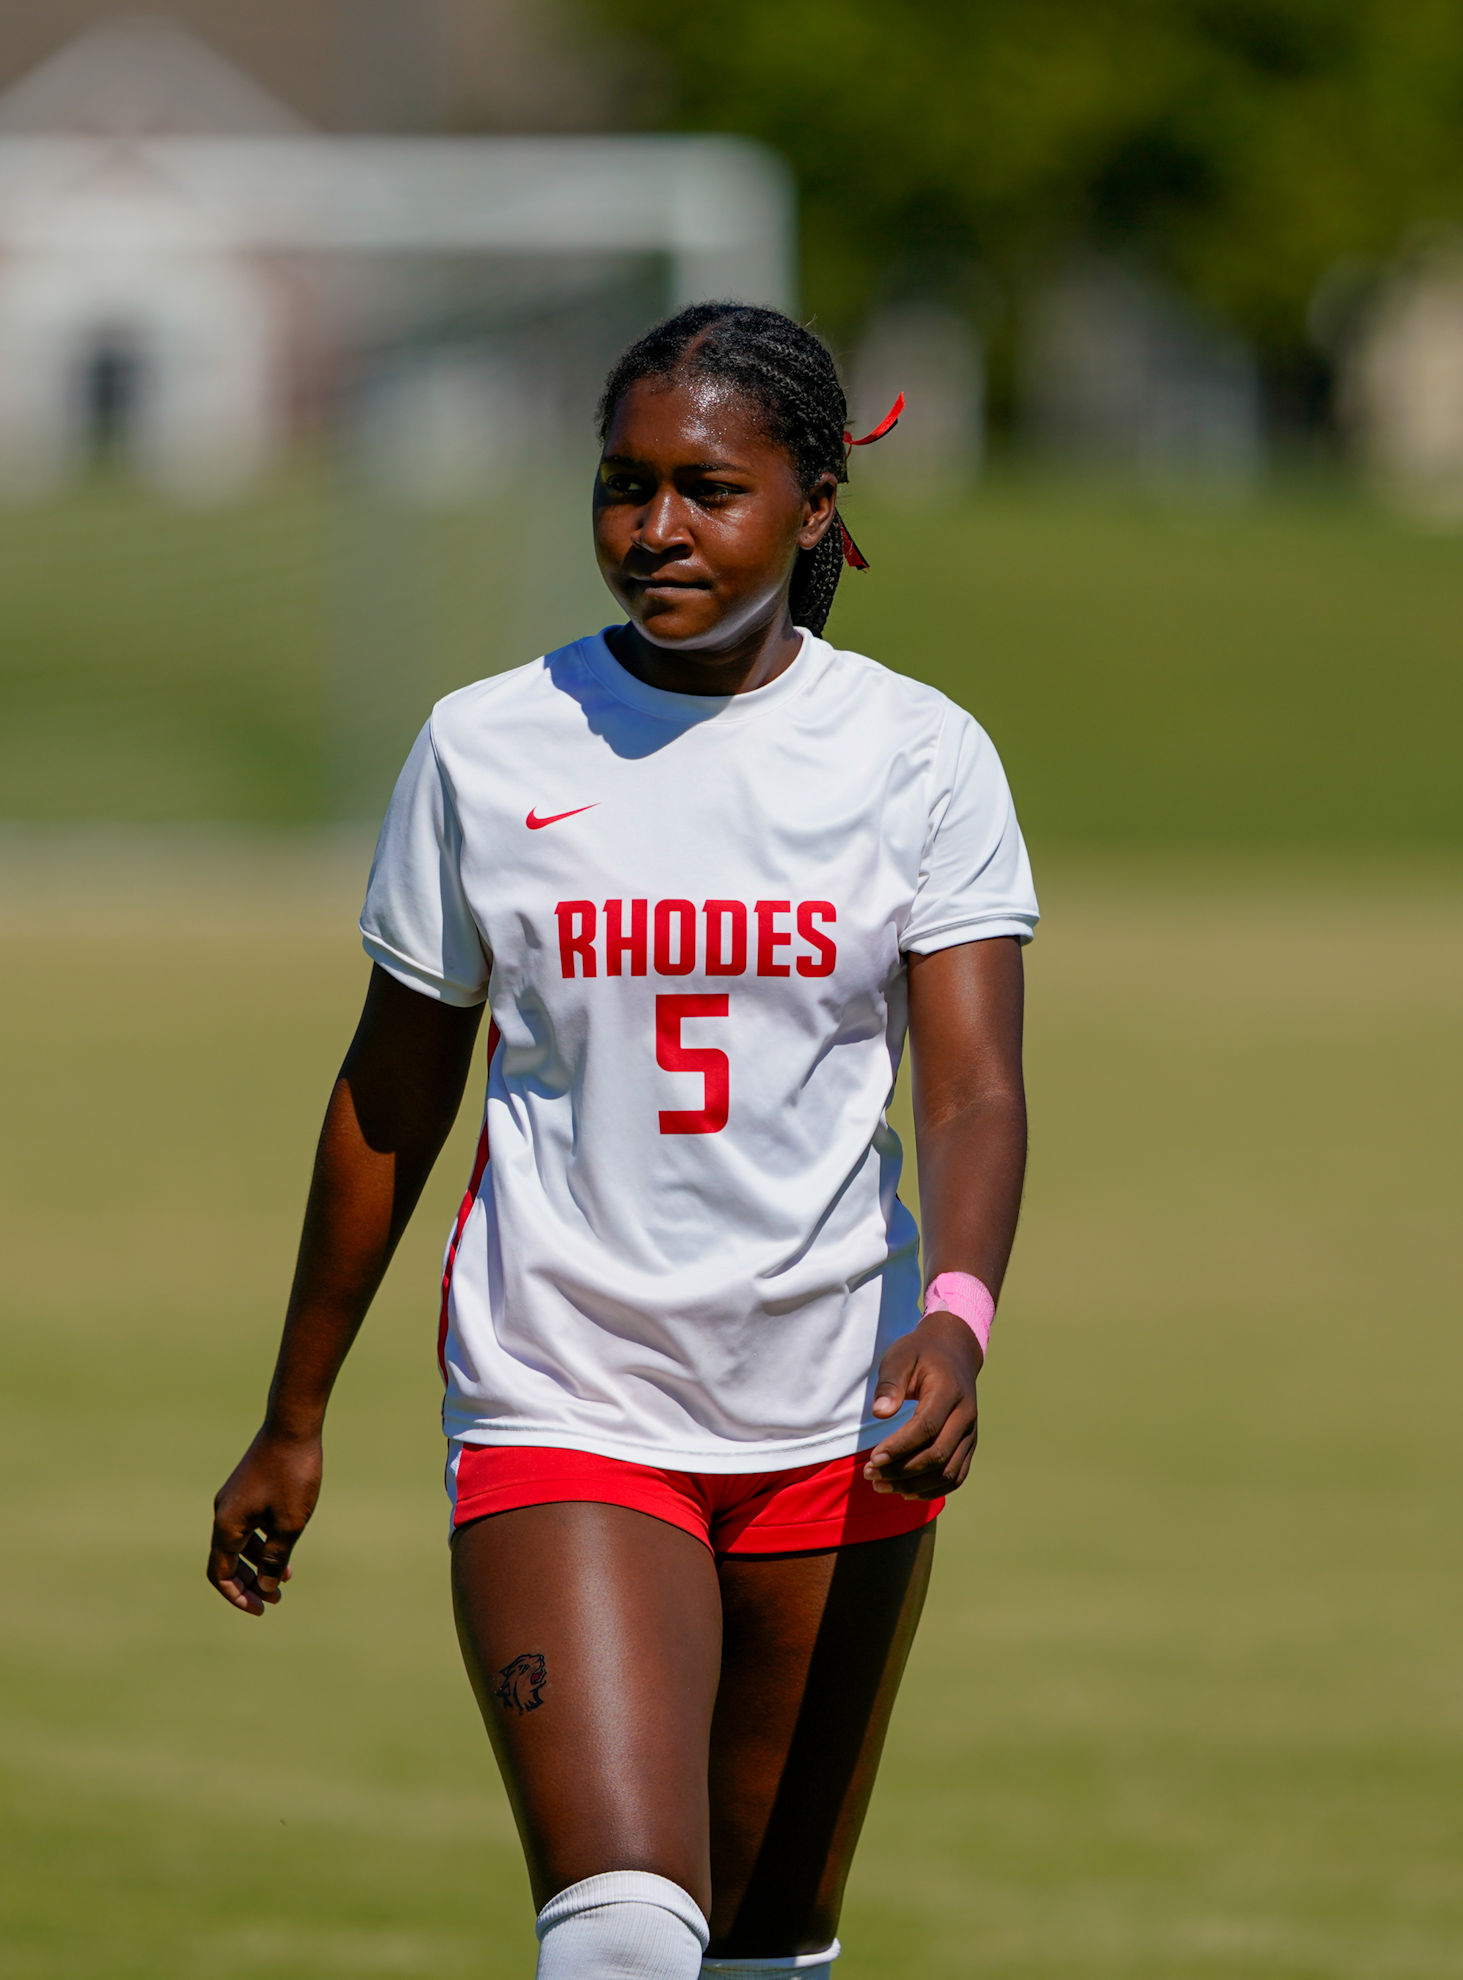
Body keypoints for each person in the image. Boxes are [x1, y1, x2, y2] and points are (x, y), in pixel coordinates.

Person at [207, 301, 1037, 1980]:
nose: (656, 527)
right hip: (564, 1395)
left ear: (815, 508)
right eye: (623, 482)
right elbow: (391, 1094)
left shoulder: (918, 754)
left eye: (708, 490)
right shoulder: (486, 744)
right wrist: (295, 1414)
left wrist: (956, 1320)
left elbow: (971, 1091)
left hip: (839, 1414)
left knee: (763, 1952)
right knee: (626, 1943)